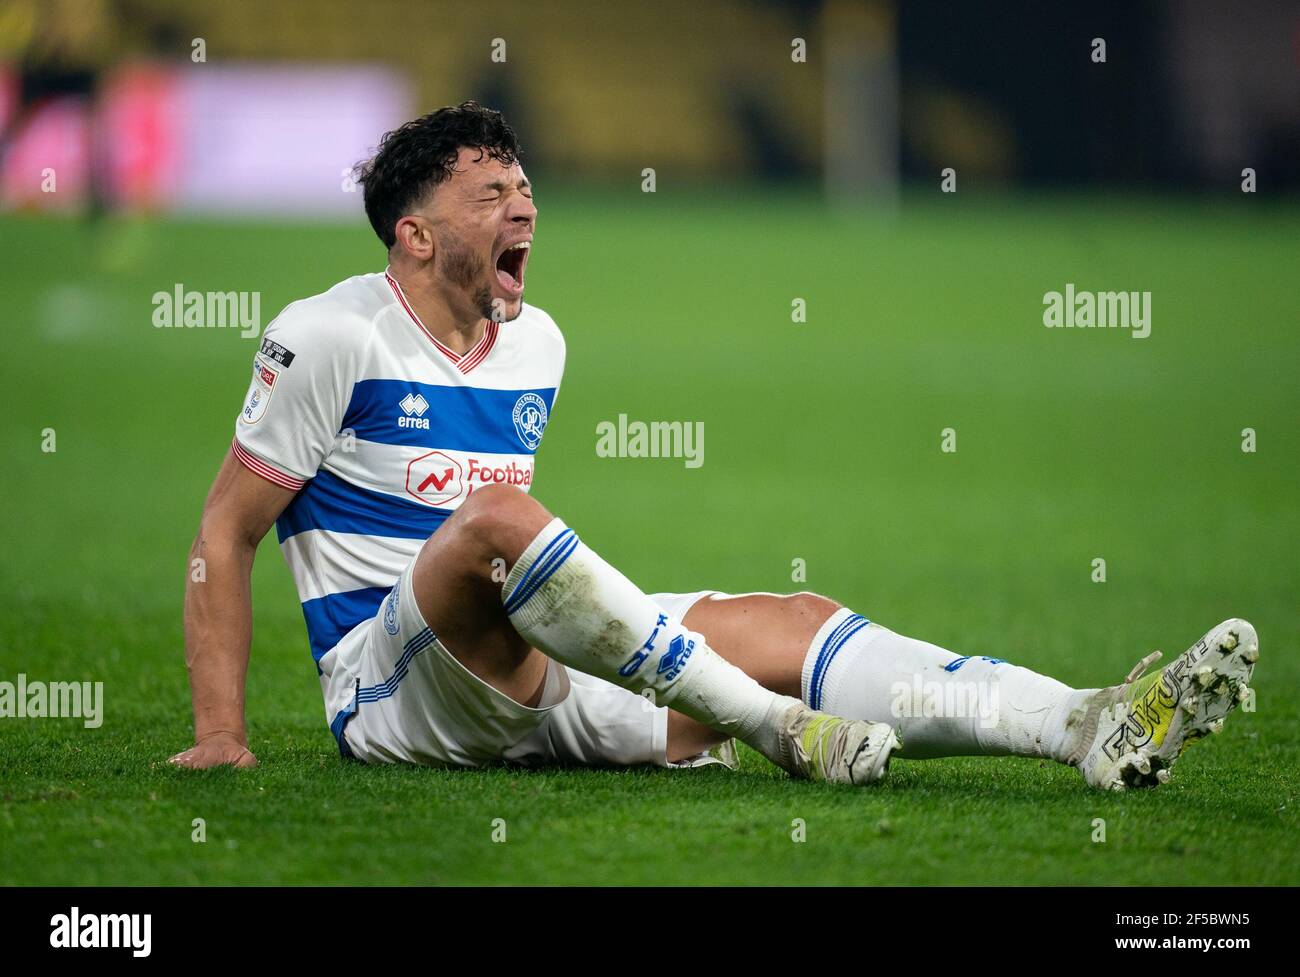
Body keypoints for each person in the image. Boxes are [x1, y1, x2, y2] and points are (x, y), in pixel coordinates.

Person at [170, 102, 1258, 791]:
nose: (525, 208)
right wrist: (222, 731)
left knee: (792, 620)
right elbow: (228, 526)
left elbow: (522, 575)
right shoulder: (329, 335)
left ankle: (1084, 724)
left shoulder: (536, 343)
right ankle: (782, 728)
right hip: (388, 693)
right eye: (490, 193)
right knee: (495, 520)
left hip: (513, 674)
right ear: (414, 234)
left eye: (526, 187)